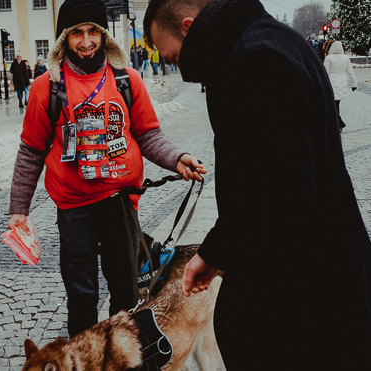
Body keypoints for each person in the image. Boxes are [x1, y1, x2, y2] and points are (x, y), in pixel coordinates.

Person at [143, 0, 371, 370]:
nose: (178, 68)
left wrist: (246, 312)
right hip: (317, 287)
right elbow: (259, 180)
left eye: (173, 58)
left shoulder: (257, 59)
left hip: (308, 303)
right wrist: (215, 252)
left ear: (189, 27)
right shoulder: (269, 41)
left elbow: (285, 202)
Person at [7, 0, 206, 338]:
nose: (86, 42)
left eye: (93, 32)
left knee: (127, 292)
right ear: (64, 39)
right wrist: (18, 209)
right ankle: (82, 358)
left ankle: (122, 355)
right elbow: (31, 151)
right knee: (81, 296)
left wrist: (176, 157)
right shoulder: (48, 87)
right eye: (77, 34)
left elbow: (148, 134)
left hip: (120, 203)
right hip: (74, 209)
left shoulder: (127, 80)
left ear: (104, 35)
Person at [324, 40, 358, 132]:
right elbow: (350, 72)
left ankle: (339, 123)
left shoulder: (329, 58)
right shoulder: (345, 58)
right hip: (342, 83)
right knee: (336, 104)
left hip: (331, 84)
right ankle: (337, 125)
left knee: (332, 105)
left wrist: (322, 84)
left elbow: (325, 73)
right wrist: (354, 84)